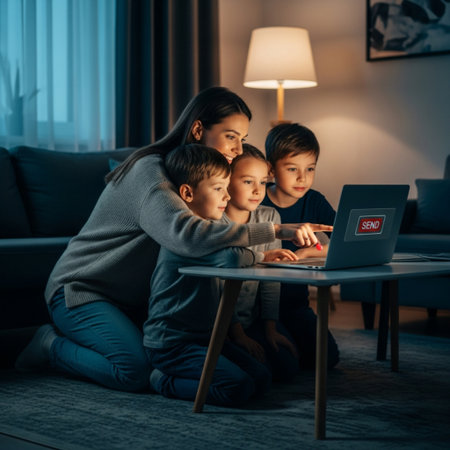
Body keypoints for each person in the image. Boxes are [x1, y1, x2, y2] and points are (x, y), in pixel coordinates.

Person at [15, 86, 332, 392]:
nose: (237, 150)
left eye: (243, 140)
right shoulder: (152, 175)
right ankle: (49, 344)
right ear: (197, 131)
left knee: (223, 363)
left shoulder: (198, 177)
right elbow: (189, 237)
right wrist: (277, 231)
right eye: (231, 137)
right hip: (82, 291)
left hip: (131, 299)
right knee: (134, 372)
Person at [144, 143, 284, 406]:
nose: (227, 197)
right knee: (238, 387)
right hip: (172, 344)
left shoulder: (211, 228)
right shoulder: (187, 237)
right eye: (219, 188)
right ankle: (162, 380)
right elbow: (232, 257)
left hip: (205, 338)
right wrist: (263, 255)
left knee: (263, 379)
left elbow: (233, 255)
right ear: (187, 192)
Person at [261, 123, 340, 369]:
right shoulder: (256, 198)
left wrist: (311, 252)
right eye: (292, 168)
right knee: (285, 364)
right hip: (258, 307)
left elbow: (343, 238)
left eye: (310, 169)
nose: (302, 178)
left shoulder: (314, 201)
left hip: (296, 304)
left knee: (328, 359)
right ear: (272, 169)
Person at [222, 144, 299, 382]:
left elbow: (270, 278)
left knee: (288, 369)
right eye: (247, 182)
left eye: (263, 182)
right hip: (223, 324)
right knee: (258, 375)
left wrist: (270, 329)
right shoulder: (214, 221)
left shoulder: (269, 217)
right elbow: (219, 285)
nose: (258, 190)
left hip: (252, 320)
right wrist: (237, 334)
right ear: (226, 181)